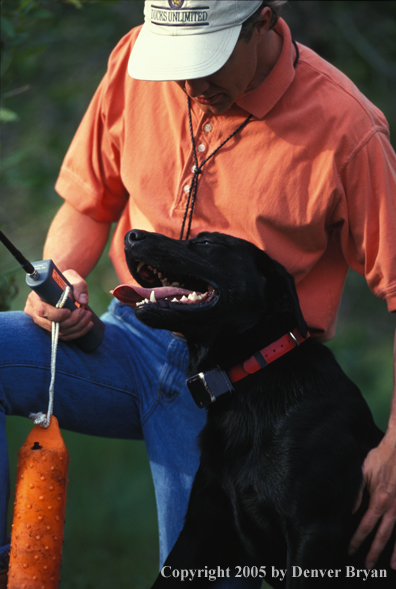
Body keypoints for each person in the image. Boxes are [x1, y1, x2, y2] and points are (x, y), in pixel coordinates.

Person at [0, 0, 395, 585]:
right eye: (176, 59)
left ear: (263, 19)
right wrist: (61, 280)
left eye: (205, 58)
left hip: (248, 388)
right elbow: (87, 203)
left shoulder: (348, 129)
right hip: (124, 340)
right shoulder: (134, 59)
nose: (188, 79)